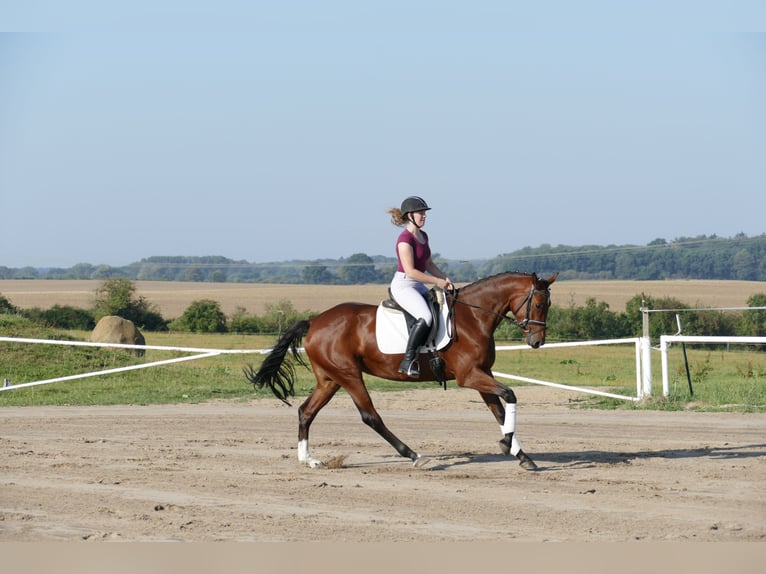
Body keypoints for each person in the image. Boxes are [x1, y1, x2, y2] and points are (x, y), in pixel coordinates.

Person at [387, 196, 454, 377]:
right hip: (404, 285)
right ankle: (408, 360)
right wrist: (436, 282)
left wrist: (445, 278)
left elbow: (429, 264)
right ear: (410, 216)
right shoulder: (404, 240)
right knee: (425, 316)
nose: (424, 216)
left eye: (424, 213)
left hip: (418, 284)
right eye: (420, 213)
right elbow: (410, 271)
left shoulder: (423, 236)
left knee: (443, 307)